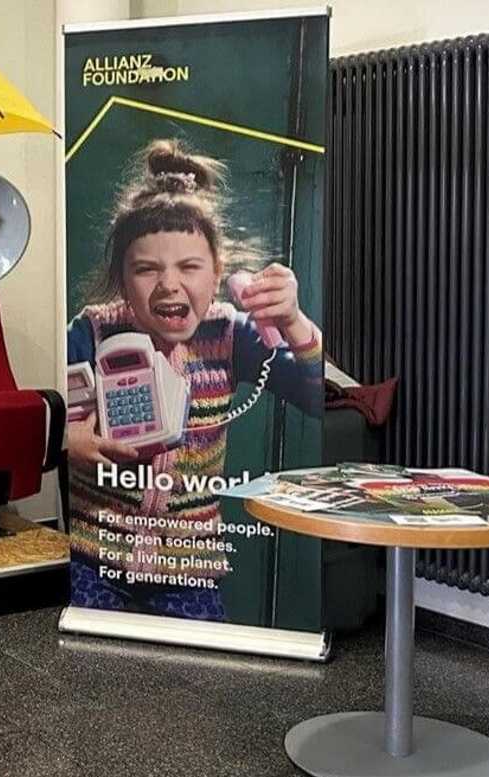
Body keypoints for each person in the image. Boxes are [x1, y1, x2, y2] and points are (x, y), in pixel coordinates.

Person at [67, 139, 323, 621]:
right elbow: (38, 418)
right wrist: (67, 437)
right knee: (91, 668)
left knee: (200, 679)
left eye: (190, 267)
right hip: (95, 559)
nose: (169, 285)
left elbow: (320, 396)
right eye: (146, 269)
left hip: (189, 568)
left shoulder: (232, 334)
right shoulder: (91, 331)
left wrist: (293, 323)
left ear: (218, 274)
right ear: (122, 279)